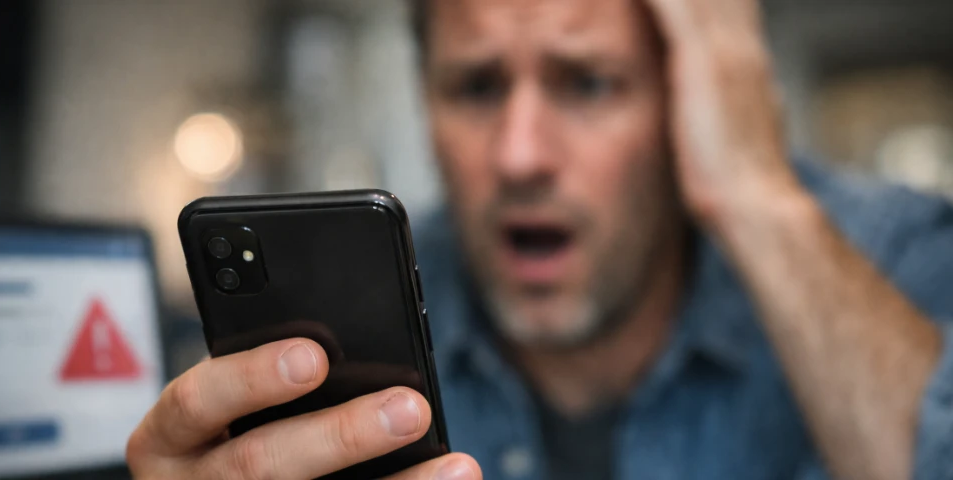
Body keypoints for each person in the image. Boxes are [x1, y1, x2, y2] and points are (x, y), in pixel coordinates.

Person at [126, 0, 953, 478]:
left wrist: (755, 188)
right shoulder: (345, 326)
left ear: (691, 100)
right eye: (476, 87)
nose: (519, 156)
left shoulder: (891, 258)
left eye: (588, 82)